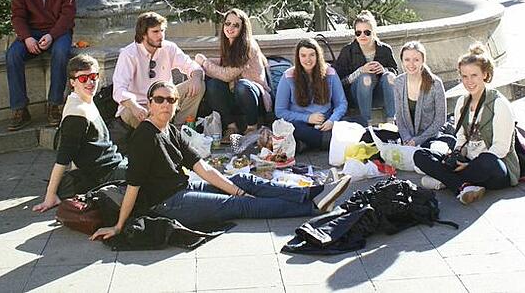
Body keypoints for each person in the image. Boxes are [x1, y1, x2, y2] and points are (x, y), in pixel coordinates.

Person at [90, 81, 352, 240]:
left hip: (184, 187)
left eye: (171, 100)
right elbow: (133, 185)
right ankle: (314, 208)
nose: (166, 105)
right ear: (149, 103)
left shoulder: (169, 129)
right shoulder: (144, 137)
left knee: (243, 179)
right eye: (160, 100)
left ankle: (313, 194)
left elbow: (200, 166)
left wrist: (235, 186)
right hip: (166, 203)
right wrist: (118, 226)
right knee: (237, 204)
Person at [413, 44, 520, 205]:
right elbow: (460, 137)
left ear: (485, 74)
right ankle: (464, 186)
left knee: (487, 161)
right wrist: (455, 154)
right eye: (464, 76)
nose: (469, 82)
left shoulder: (499, 104)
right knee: (420, 155)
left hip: (495, 168)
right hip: (466, 161)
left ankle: (448, 181)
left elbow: (501, 148)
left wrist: (469, 165)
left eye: (474, 75)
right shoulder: (462, 102)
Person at [33, 54, 127, 212]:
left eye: (93, 76)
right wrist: (51, 196)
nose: (90, 82)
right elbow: (63, 158)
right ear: (72, 82)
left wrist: (74, 180)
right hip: (108, 173)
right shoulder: (77, 113)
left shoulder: (85, 100)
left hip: (113, 164)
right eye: (83, 78)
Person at [6, 0, 76, 131]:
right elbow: (17, 16)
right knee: (13, 55)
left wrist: (52, 35)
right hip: (31, 32)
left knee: (62, 52)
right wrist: (27, 38)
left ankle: (54, 104)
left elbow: (68, 15)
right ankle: (20, 108)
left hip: (58, 32)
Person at [112, 12, 205, 129]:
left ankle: (178, 130)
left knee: (199, 84)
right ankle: (153, 137)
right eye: (155, 32)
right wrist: (133, 105)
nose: (161, 36)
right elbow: (118, 90)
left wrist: (196, 77)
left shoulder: (169, 47)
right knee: (129, 112)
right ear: (143, 34)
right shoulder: (129, 54)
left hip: (167, 100)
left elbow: (192, 66)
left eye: (162, 31)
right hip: (141, 106)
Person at [195, 9, 272, 142]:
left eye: (236, 25)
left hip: (254, 97)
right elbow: (224, 66)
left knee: (242, 86)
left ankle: (252, 127)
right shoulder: (230, 43)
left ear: (243, 28)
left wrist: (204, 62)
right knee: (213, 85)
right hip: (235, 94)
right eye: (227, 23)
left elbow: (227, 75)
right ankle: (231, 127)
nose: (230, 28)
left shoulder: (248, 46)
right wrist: (201, 62)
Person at [275, 38, 350, 152]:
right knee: (292, 128)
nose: (308, 59)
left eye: (312, 55)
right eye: (303, 55)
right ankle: (327, 142)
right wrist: (308, 118)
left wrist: (332, 120)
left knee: (354, 122)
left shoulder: (330, 73)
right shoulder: (288, 76)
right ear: (298, 57)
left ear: (318, 55)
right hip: (300, 123)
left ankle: (307, 144)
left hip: (326, 120)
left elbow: (341, 103)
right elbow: (280, 111)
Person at [334, 11, 398, 125]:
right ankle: (366, 123)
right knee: (365, 78)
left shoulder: (385, 50)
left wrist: (384, 70)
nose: (362, 36)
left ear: (373, 32)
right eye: (358, 33)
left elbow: (396, 73)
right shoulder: (348, 51)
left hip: (380, 95)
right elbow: (339, 82)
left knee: (389, 77)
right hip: (356, 96)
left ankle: (391, 122)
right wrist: (360, 71)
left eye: (367, 32)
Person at [392, 41, 453, 150]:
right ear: (402, 61)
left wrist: (417, 141)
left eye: (416, 60)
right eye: (407, 60)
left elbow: (440, 120)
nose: (411, 64)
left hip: (430, 138)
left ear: (423, 61)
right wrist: (407, 139)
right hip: (407, 138)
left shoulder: (435, 84)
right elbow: (399, 117)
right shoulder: (398, 82)